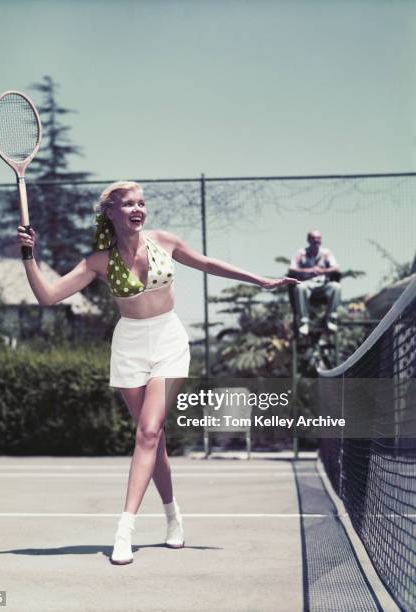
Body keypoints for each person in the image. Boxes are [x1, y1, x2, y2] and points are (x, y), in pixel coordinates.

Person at [17, 180, 299, 565]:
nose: (138, 209)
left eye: (141, 203)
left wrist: (260, 279)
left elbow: (207, 263)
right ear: (111, 213)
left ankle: (124, 530)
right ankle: (173, 517)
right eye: (129, 204)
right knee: (154, 441)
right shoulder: (98, 261)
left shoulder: (164, 241)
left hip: (169, 341)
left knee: (147, 432)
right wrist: (28, 256)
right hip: (129, 348)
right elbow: (47, 296)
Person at [289, 230, 341, 335]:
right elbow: (292, 268)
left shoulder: (326, 253)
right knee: (300, 288)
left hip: (323, 285)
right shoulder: (301, 253)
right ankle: (304, 322)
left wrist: (323, 271)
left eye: (318, 238)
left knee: (336, 287)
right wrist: (309, 271)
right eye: (314, 238)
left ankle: (331, 319)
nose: (316, 240)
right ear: (308, 240)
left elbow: (336, 267)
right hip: (307, 284)